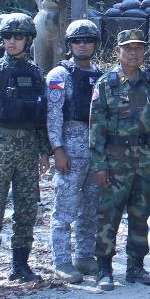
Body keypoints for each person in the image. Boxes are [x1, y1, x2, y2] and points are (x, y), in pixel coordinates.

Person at [0, 13, 49, 290]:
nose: (12, 42)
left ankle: (20, 265)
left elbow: (41, 115)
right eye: (7, 36)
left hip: (27, 147)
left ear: (28, 40)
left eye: (18, 37)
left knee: (27, 208)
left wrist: (43, 151)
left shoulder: (36, 73)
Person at [89, 29, 150, 291]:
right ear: (118, 52)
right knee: (109, 214)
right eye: (128, 48)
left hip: (145, 157)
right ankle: (104, 268)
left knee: (141, 213)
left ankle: (136, 266)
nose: (134, 53)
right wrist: (99, 164)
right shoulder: (106, 83)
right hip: (115, 159)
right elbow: (96, 127)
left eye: (138, 48)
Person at [46, 19, 104, 284]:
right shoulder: (59, 75)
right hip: (69, 150)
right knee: (64, 210)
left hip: (94, 151)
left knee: (90, 208)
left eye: (88, 40)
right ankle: (62, 261)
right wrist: (57, 149)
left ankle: (84, 256)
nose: (83, 45)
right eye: (78, 41)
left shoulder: (101, 75)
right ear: (70, 44)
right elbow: (53, 115)